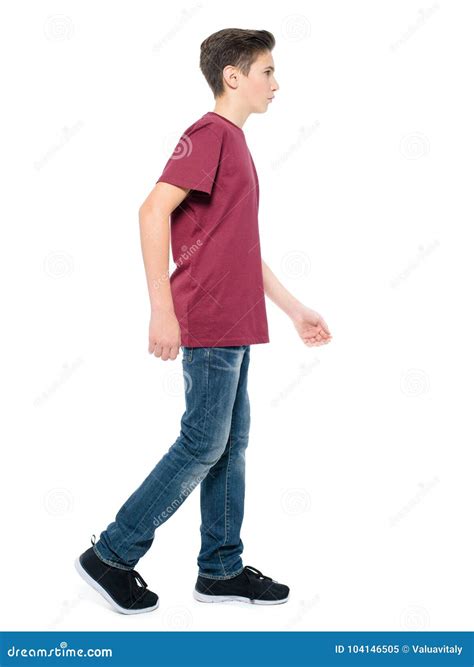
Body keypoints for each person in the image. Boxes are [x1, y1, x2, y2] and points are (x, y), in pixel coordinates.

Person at [75, 27, 332, 615]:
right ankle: (111, 554)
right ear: (233, 76)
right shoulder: (209, 133)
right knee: (203, 442)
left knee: (230, 446)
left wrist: (294, 310)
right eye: (267, 71)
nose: (276, 83)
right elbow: (150, 211)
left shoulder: (235, 143)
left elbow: (238, 245)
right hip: (208, 316)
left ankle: (220, 569)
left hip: (237, 321)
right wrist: (161, 310)